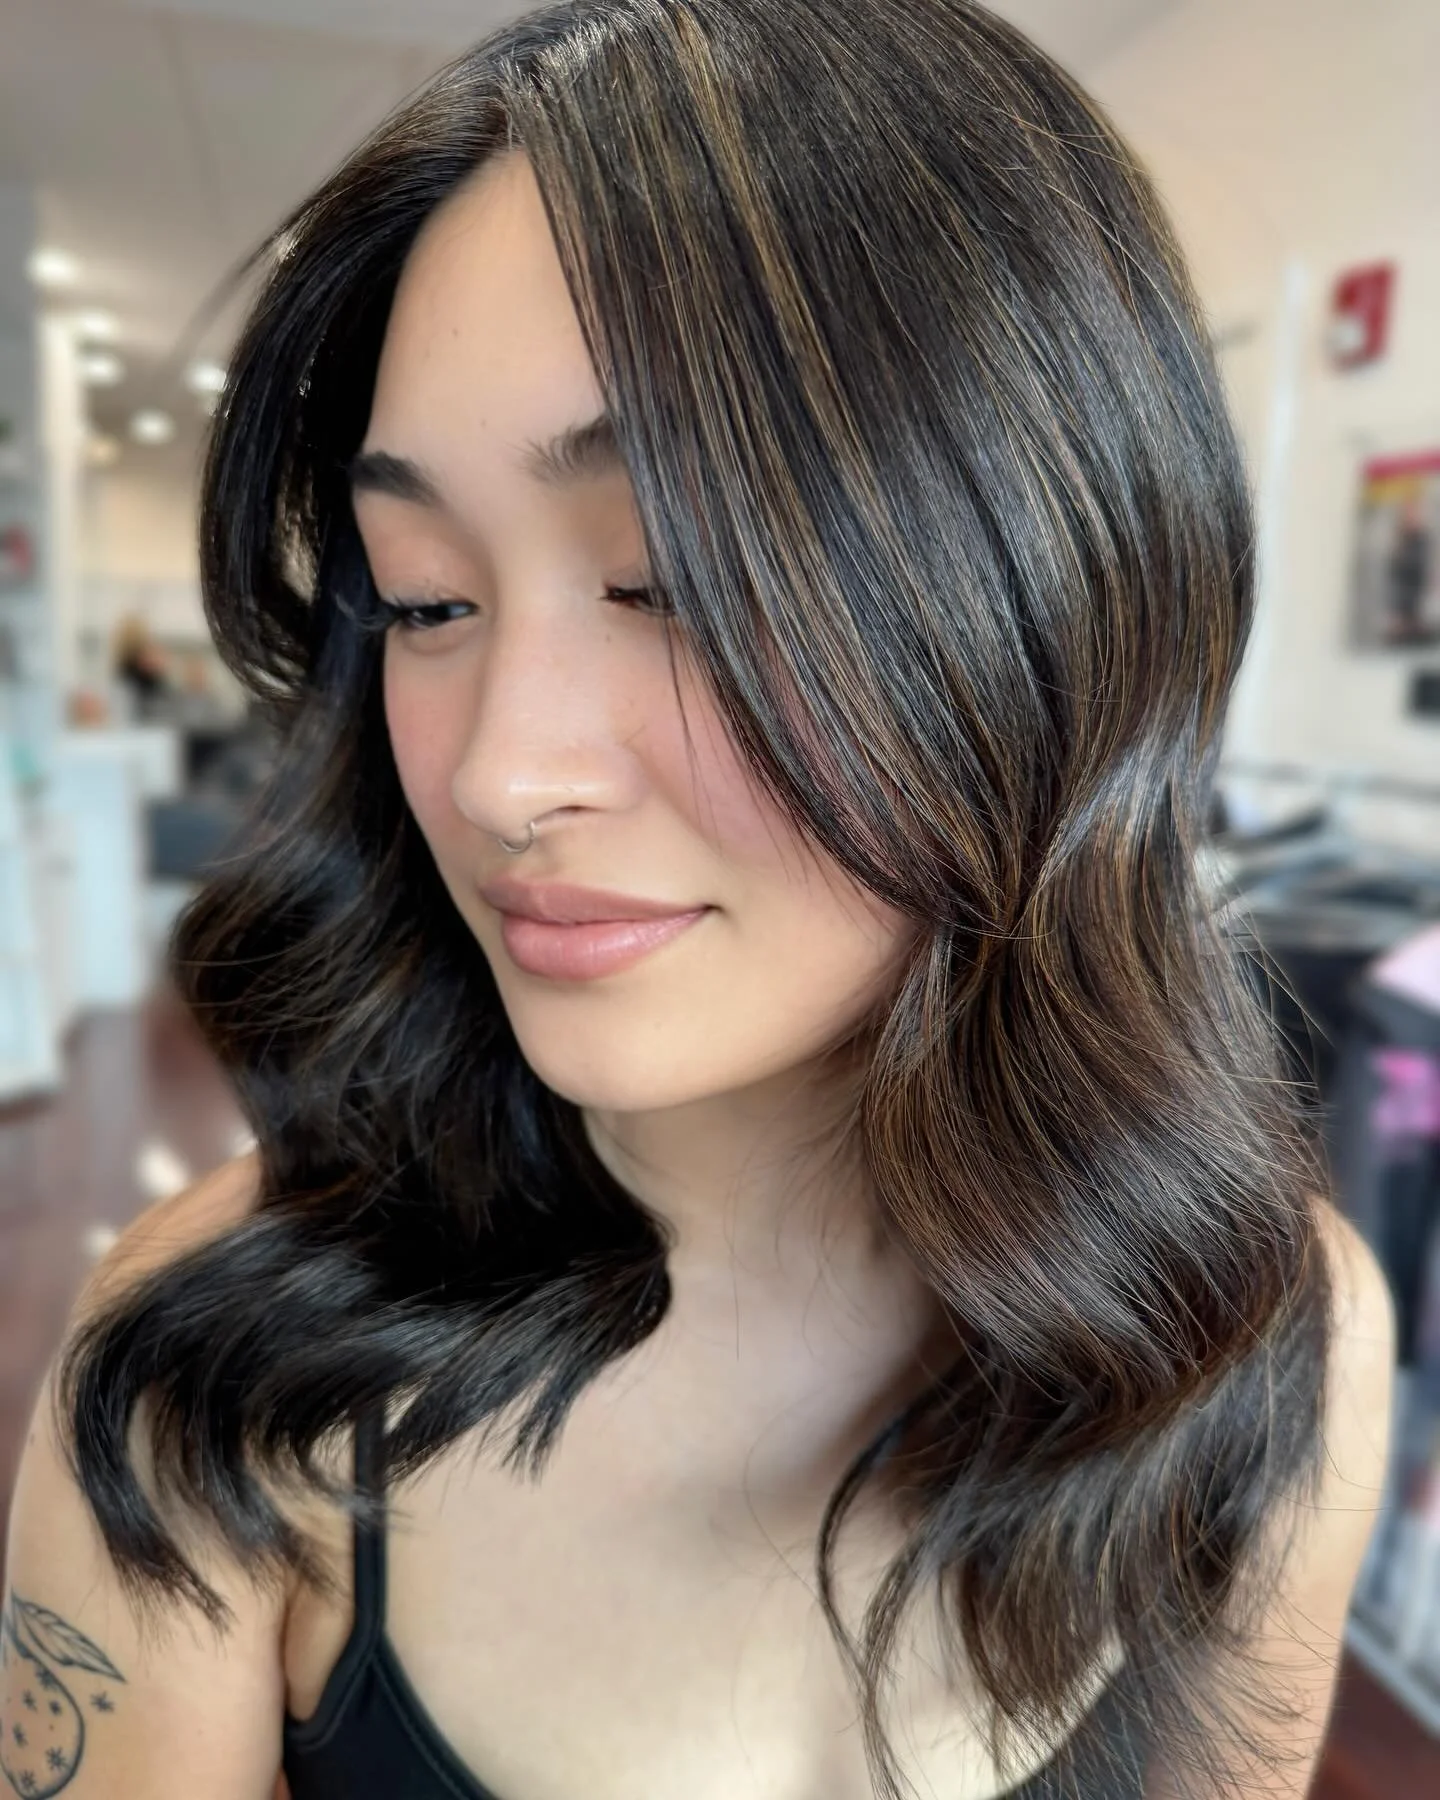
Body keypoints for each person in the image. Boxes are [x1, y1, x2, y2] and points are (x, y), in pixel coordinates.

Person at [2, 4, 1396, 1798]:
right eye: (426, 599)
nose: (505, 773)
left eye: (667, 581)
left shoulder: (1256, 1335)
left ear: (1051, 602)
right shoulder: (216, 1373)